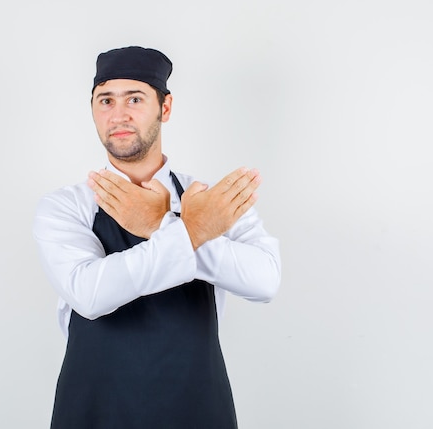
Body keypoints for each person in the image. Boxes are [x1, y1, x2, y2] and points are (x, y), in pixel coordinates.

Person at [33, 46, 281, 429]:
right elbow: (90, 294)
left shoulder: (213, 198)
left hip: (197, 407)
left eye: (135, 98)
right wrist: (191, 229)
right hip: (96, 409)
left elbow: (264, 280)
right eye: (106, 100)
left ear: (164, 108)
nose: (119, 115)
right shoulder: (66, 206)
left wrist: (160, 223)